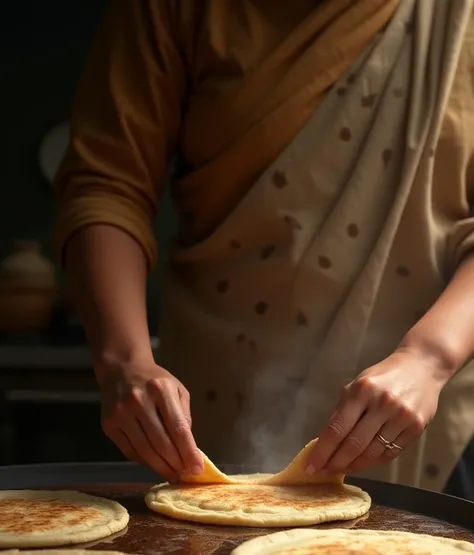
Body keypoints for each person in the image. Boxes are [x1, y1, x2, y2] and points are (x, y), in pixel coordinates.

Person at [53, 0, 474, 494]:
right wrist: (125, 362)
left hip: (436, 408)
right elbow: (108, 182)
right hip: (205, 402)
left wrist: (429, 357)